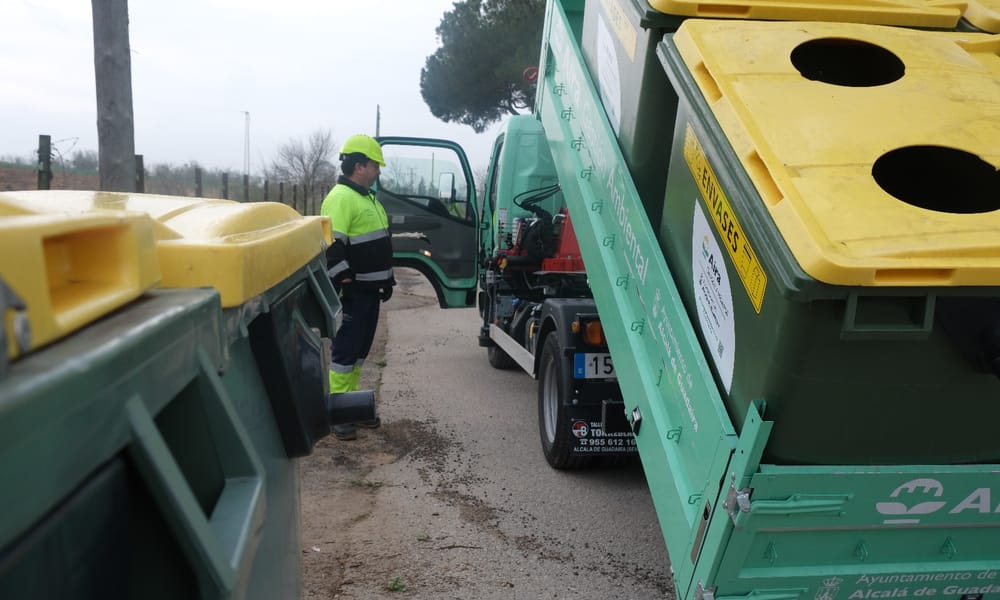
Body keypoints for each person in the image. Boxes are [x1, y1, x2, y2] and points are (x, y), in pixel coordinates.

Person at [321, 134, 395, 440]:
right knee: (346, 351)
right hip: (353, 292)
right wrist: (345, 280)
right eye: (375, 165)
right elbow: (330, 245)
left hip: (369, 290)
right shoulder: (341, 198)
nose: (378, 171)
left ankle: (352, 406)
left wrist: (386, 280)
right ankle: (339, 412)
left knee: (360, 351)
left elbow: (378, 242)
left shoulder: (366, 198)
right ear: (360, 166)